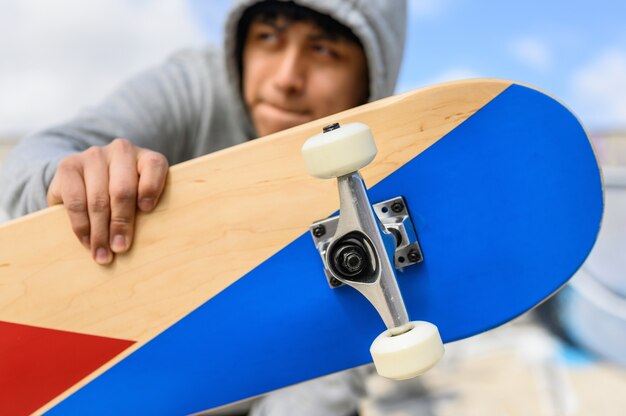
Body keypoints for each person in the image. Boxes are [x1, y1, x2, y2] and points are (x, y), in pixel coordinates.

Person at [1, 0, 407, 414]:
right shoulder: (195, 88)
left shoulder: (383, 173)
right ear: (241, 44)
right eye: (268, 38)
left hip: (281, 382)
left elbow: (335, 367)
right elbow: (30, 161)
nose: (287, 78)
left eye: (323, 51)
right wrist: (71, 180)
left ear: (372, 76)